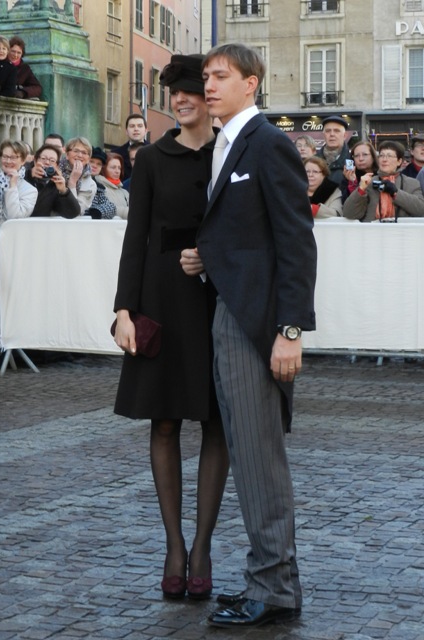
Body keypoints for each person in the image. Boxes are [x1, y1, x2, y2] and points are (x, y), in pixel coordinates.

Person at [181, 43, 317, 628]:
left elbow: (295, 244)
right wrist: (205, 257)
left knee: (259, 457)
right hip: (230, 312)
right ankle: (271, 581)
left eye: (221, 76)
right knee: (248, 452)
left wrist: (289, 331)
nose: (208, 85)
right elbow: (246, 235)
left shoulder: (268, 144)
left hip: (256, 325)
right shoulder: (226, 145)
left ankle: (274, 589)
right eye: (206, 76)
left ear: (250, 84)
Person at [112, 54, 229, 601]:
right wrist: (122, 310)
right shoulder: (153, 158)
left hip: (217, 299)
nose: (181, 100)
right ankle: (174, 547)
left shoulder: (230, 152)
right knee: (163, 422)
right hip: (160, 295)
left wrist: (210, 256)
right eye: (174, 94)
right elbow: (134, 238)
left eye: (191, 91)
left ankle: (202, 548)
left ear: (210, 97)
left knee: (215, 421)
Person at [0, 140, 37, 338]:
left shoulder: (29, 190)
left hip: (11, 250)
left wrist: (12, 186)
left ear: (22, 160)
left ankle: (6, 343)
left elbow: (16, 217)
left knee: (7, 298)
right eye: (5, 156)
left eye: (14, 157)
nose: (8, 161)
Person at [342, 140, 424, 222]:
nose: (384, 160)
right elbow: (349, 214)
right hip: (372, 232)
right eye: (381, 156)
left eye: (389, 156)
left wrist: (396, 193)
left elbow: (420, 210)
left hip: (400, 232)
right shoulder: (368, 182)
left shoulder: (411, 183)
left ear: (399, 161)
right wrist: (361, 189)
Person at [25, 143, 80, 218]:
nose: (47, 162)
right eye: (43, 158)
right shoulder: (23, 173)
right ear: (35, 160)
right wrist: (29, 175)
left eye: (52, 160)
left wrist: (63, 191)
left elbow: (72, 213)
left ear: (56, 165)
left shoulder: (54, 184)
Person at [60, 137, 96, 215]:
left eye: (84, 153)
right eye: (76, 151)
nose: (79, 155)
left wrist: (72, 182)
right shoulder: (56, 172)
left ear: (89, 159)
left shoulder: (90, 184)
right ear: (67, 154)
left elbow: (77, 211)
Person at [317, 115, 352, 186]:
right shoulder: (313, 161)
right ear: (323, 135)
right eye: (328, 131)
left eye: (336, 131)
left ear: (345, 135)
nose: (332, 134)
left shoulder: (353, 160)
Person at [111, 113, 149, 180]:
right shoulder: (116, 154)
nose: (136, 129)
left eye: (140, 126)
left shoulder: (156, 152)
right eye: (132, 126)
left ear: (146, 130)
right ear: (126, 131)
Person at [85, 147, 117, 219]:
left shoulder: (99, 188)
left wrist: (97, 211)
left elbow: (112, 208)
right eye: (92, 161)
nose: (95, 166)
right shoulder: (74, 180)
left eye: (99, 164)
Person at [8, 36, 42, 100]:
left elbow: (37, 88)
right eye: (13, 51)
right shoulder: (1, 64)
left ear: (22, 54)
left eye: (19, 53)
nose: (15, 55)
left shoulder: (25, 69)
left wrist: (23, 92)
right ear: (8, 51)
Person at [100, 152, 129, 219]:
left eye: (119, 168)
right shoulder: (99, 188)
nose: (117, 171)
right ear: (104, 169)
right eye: (113, 167)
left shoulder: (124, 192)